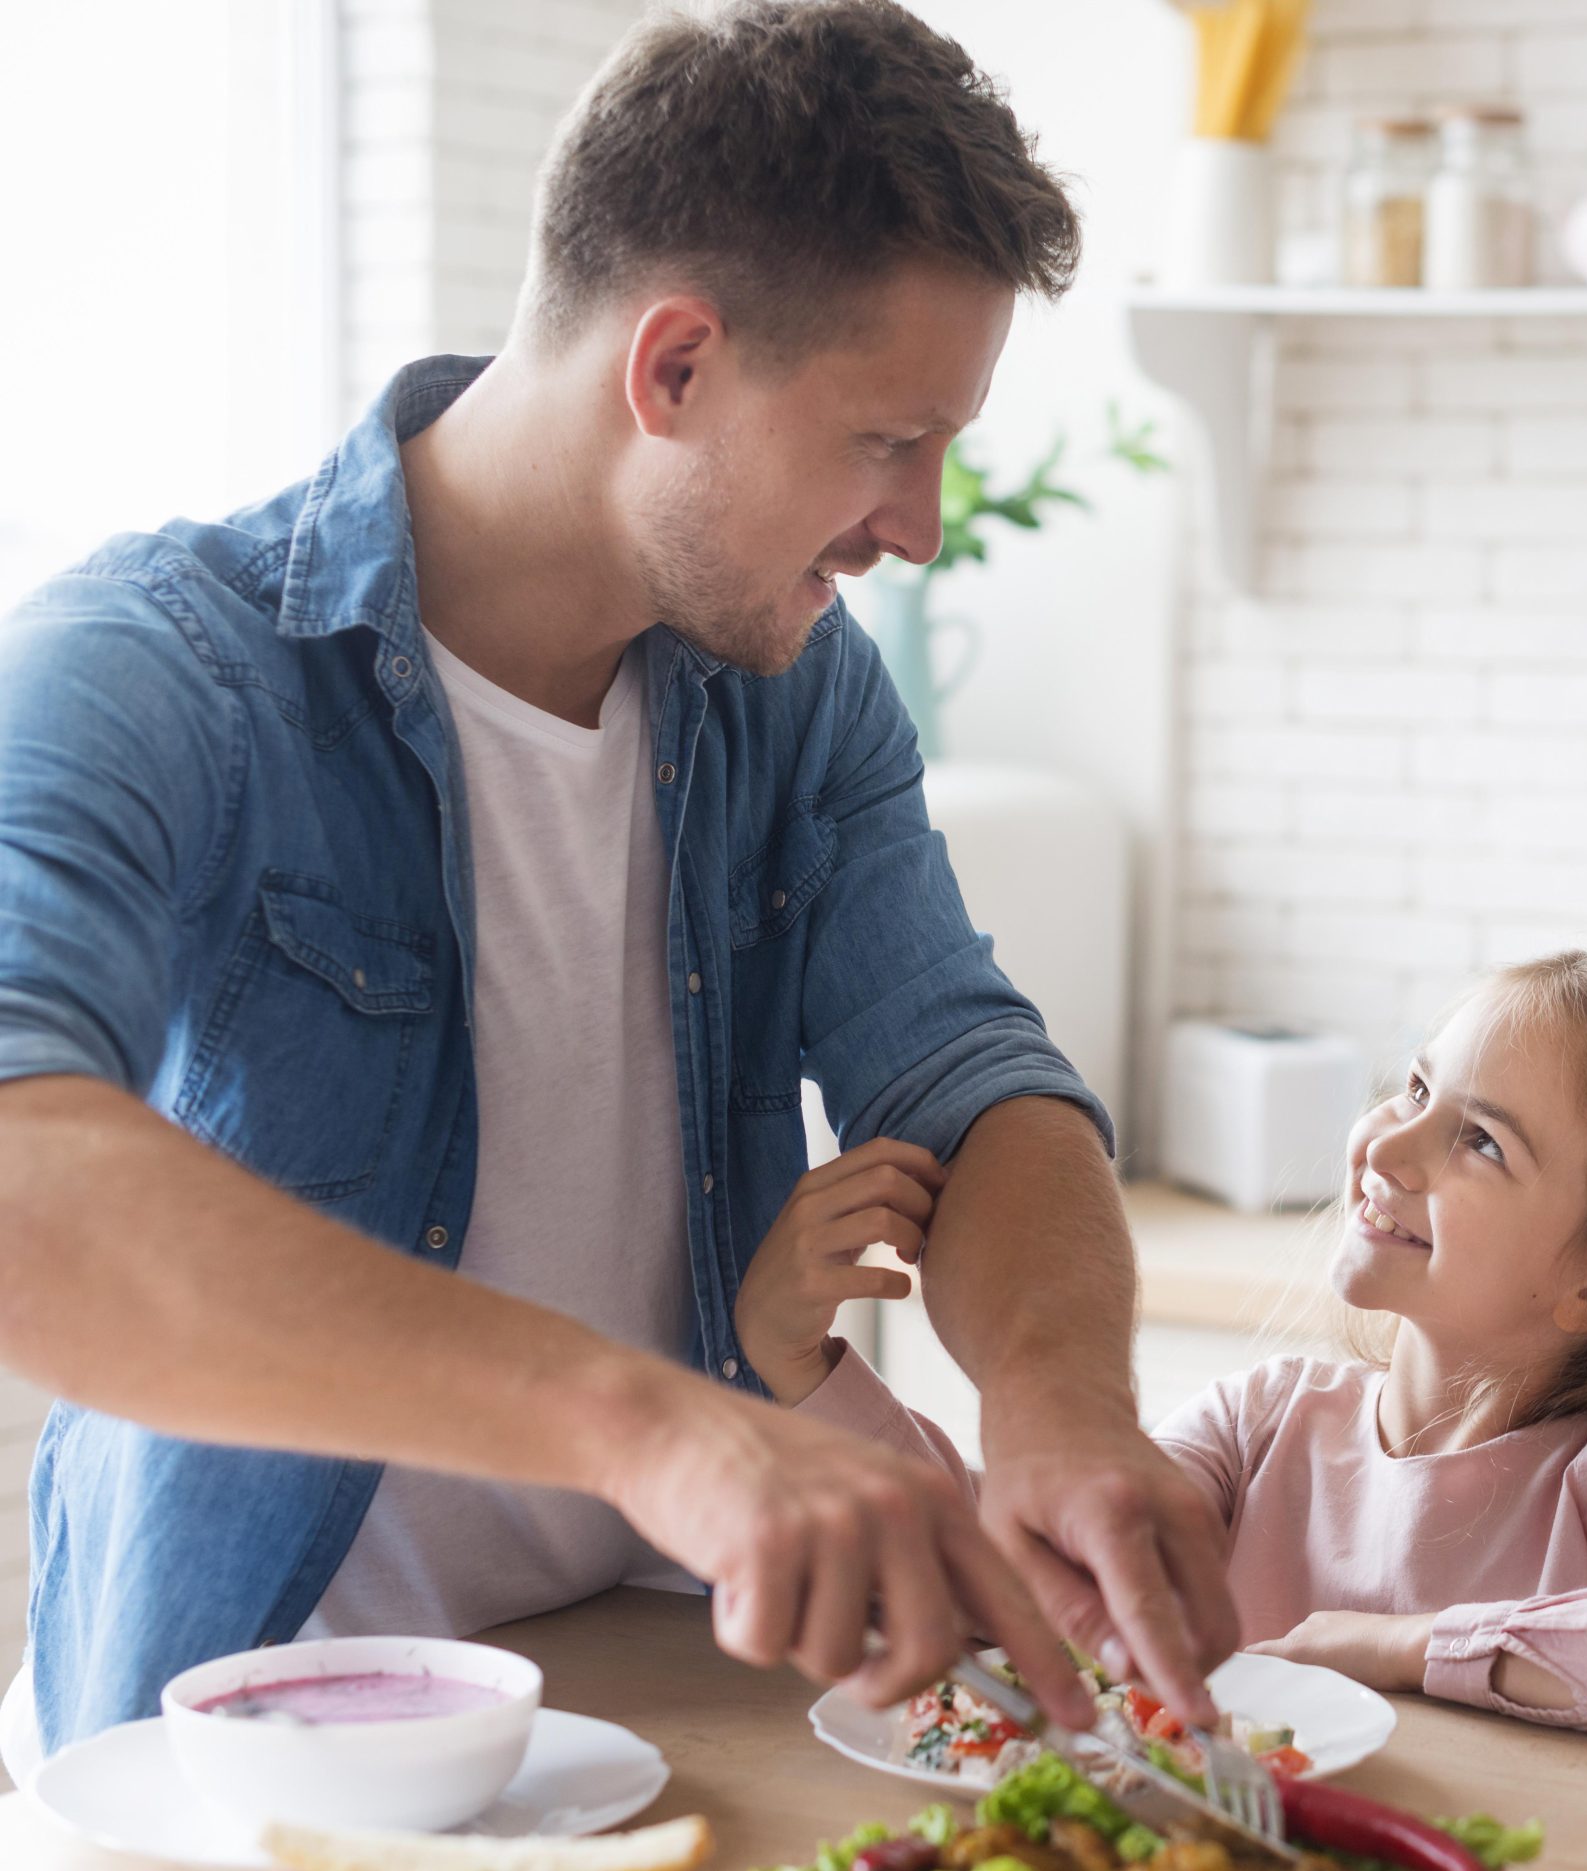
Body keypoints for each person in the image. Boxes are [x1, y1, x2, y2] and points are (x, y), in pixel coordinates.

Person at [0, 0, 1235, 1777]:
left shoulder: (795, 690)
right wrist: (651, 1429)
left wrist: (1060, 1408)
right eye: (892, 439)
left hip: (651, 1711)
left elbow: (970, 1076)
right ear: (673, 370)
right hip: (251, 1750)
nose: (926, 523)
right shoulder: (156, 673)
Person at [1146, 952, 1587, 1756]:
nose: (1387, 1150)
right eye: (1414, 1089)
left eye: (1480, 1141)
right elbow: (1076, 1547)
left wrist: (1404, 1650)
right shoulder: (1256, 1423)